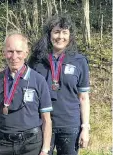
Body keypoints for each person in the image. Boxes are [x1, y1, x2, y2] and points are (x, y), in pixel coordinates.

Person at [28, 15, 90, 155]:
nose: (60, 37)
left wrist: (85, 127)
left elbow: (84, 97)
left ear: (70, 36)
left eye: (65, 32)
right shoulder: (36, 60)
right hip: (41, 124)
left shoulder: (79, 61)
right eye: (56, 32)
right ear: (49, 34)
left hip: (70, 125)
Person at [0, 33, 53, 155]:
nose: (14, 56)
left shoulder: (39, 80)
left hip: (31, 144)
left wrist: (45, 150)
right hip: (2, 144)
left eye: (19, 52)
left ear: (26, 53)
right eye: (10, 51)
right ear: (4, 52)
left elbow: (46, 119)